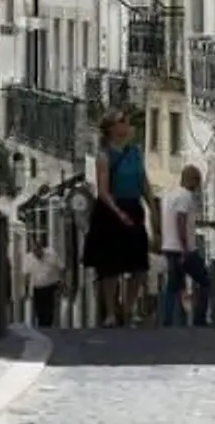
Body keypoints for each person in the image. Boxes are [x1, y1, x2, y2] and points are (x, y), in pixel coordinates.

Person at [83, 112, 152, 325]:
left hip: (133, 206)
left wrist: (153, 210)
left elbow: (144, 183)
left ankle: (129, 308)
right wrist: (118, 213)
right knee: (110, 266)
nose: (127, 124)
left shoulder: (136, 152)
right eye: (122, 121)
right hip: (110, 211)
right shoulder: (104, 156)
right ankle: (111, 312)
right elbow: (103, 191)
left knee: (139, 265)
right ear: (112, 129)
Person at [158, 164, 212, 327]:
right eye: (198, 182)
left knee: (173, 285)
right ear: (193, 181)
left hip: (169, 246)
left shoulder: (168, 196)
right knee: (205, 281)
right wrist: (185, 248)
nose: (198, 187)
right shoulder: (185, 197)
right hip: (183, 248)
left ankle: (167, 319)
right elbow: (181, 221)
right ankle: (199, 318)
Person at [22, 238, 64, 328]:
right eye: (34, 251)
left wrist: (61, 282)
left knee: (50, 309)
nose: (37, 253)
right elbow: (26, 275)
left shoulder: (52, 254)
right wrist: (26, 289)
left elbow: (61, 268)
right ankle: (43, 326)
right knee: (40, 310)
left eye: (38, 250)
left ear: (41, 248)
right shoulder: (29, 258)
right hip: (38, 287)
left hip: (51, 285)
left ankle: (51, 324)